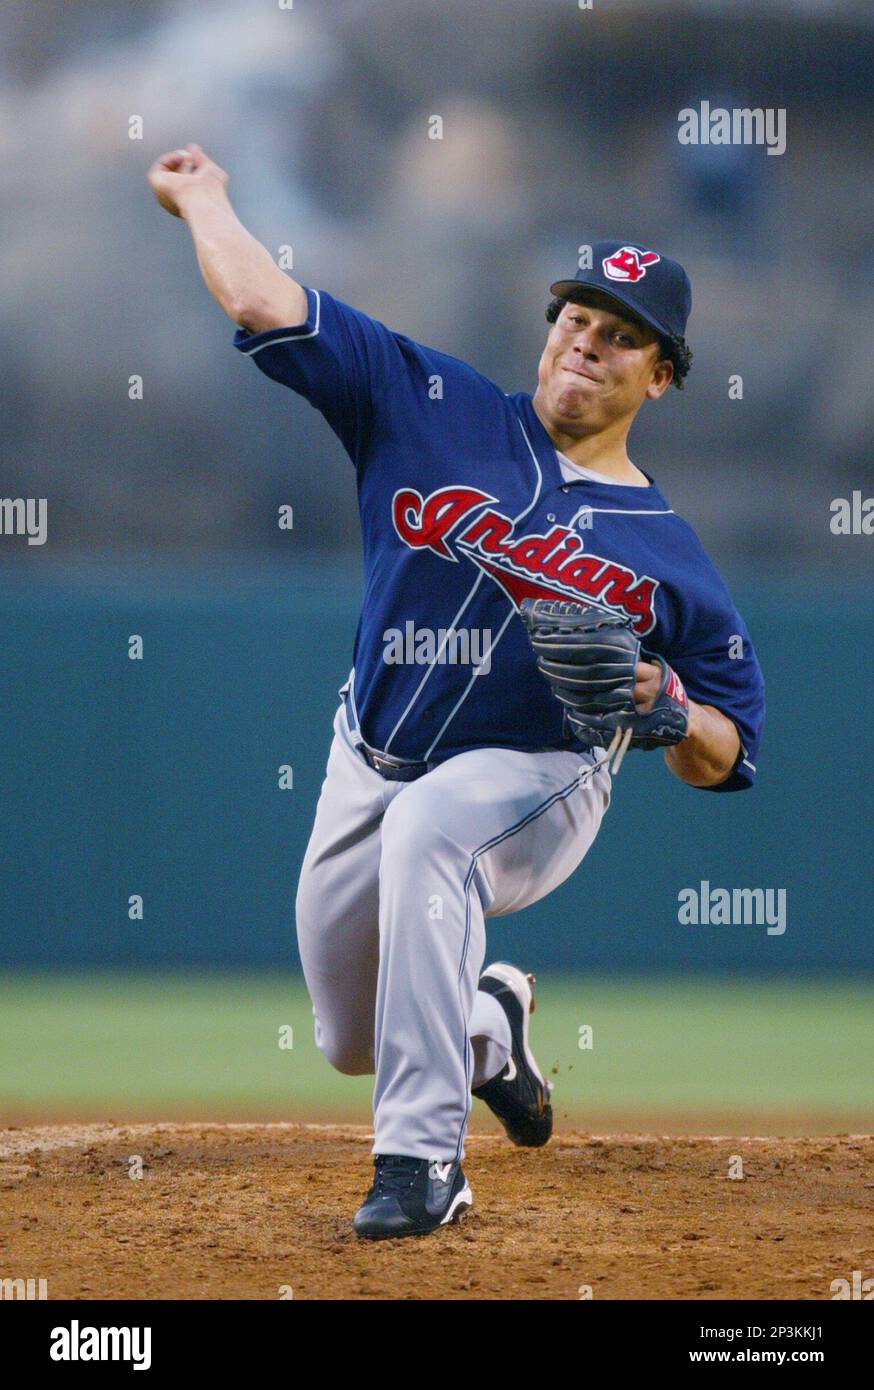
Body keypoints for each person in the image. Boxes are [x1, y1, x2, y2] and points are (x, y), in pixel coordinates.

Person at [148, 144, 765, 1240]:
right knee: (350, 1036)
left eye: (620, 334)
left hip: (541, 778)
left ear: (660, 373)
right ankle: (486, 1026)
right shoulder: (427, 401)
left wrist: (668, 705)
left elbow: (728, 748)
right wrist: (204, 196)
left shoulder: (670, 554)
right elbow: (258, 295)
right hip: (365, 756)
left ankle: (423, 1164)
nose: (586, 343)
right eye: (575, 317)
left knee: (436, 825)